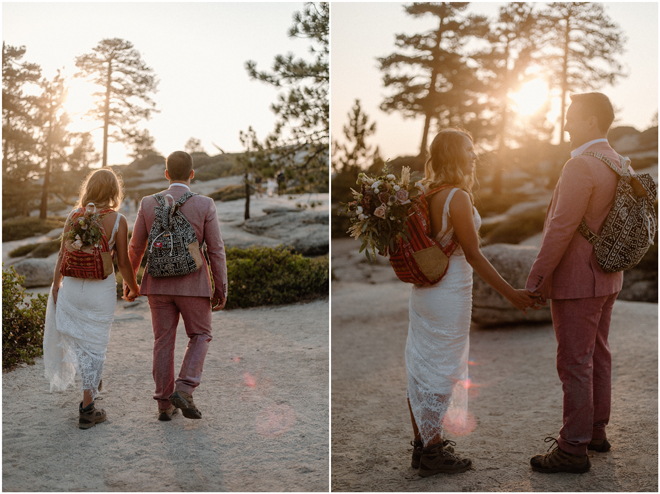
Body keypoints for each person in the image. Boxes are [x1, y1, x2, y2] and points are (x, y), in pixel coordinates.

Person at [406, 129, 542, 477]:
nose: (475, 155)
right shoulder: (457, 197)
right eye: (469, 149)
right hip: (450, 292)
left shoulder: (425, 192)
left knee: (422, 366)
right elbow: (474, 256)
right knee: (443, 369)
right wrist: (511, 294)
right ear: (454, 155)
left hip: (424, 293)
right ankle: (434, 453)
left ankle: (422, 446)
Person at [526, 92, 630, 473]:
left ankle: (572, 448)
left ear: (590, 121)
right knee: (598, 354)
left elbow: (560, 229)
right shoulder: (619, 161)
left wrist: (536, 278)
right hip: (609, 276)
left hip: (577, 281)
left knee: (574, 362)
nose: (565, 123)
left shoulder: (581, 166)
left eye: (571, 117)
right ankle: (595, 432)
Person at [127, 151, 228, 422]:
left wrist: (131, 282)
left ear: (166, 173)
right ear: (192, 174)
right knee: (201, 334)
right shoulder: (205, 205)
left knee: (163, 341)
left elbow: (136, 245)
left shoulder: (148, 203)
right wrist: (221, 287)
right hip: (193, 284)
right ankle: (184, 388)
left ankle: (164, 405)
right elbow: (216, 250)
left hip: (157, 284)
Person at [43, 168, 140, 429]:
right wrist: (134, 286)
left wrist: (56, 286)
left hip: (72, 288)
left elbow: (62, 255)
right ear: (113, 192)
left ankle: (91, 379)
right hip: (100, 291)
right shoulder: (118, 220)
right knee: (95, 346)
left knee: (81, 341)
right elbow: (122, 262)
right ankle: (87, 409)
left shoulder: (73, 216)